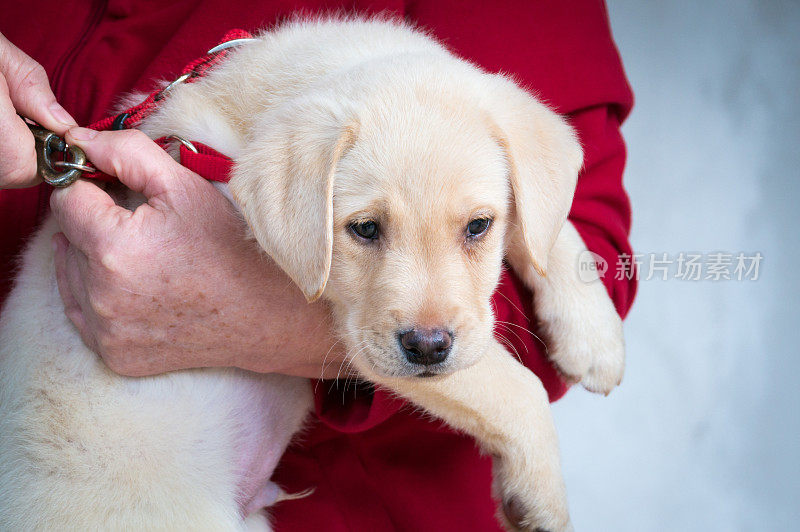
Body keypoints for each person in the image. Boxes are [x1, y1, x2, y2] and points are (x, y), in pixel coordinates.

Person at [0, 1, 636, 530]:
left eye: (476, 228)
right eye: (366, 229)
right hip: (110, 484)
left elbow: (539, 188)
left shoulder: (417, 117)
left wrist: (556, 249)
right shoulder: (276, 148)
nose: (427, 321)